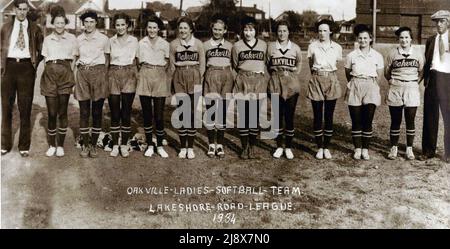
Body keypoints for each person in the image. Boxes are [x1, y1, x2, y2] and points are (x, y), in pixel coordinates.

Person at [1, 0, 43, 157]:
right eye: (19, 9)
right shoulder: (5, 27)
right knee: (6, 107)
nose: (22, 12)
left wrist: (33, 65)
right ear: (14, 9)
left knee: (25, 109)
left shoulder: (34, 28)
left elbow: (42, 50)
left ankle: (24, 146)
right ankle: (5, 145)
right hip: (8, 68)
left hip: (26, 69)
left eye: (25, 9)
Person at [40, 6, 77, 157]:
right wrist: (52, 71)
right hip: (50, 73)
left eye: (62, 23)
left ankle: (60, 145)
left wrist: (68, 74)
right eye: (57, 23)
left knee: (62, 112)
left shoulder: (72, 38)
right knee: (52, 112)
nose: (59, 26)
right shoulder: (47, 39)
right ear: (53, 24)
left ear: (65, 24)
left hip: (65, 73)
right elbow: (44, 59)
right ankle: (51, 145)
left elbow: (74, 59)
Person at [344, 24, 384, 160]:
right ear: (357, 39)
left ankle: (365, 149)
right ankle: (357, 149)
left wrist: (371, 86)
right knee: (356, 120)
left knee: (368, 119)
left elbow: (379, 74)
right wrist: (357, 83)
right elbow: (348, 73)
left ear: (370, 39)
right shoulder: (351, 55)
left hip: (371, 85)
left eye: (365, 38)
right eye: (360, 38)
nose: (363, 41)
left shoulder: (377, 56)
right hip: (355, 85)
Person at [74, 11, 110, 158]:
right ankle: (85, 144)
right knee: (83, 111)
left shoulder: (103, 39)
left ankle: (93, 145)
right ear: (83, 23)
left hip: (99, 73)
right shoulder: (79, 39)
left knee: (96, 111)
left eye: (91, 22)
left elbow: (107, 59)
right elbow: (75, 57)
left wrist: (101, 75)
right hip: (82, 73)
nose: (88, 25)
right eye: (86, 22)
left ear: (96, 22)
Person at [385, 26, 424, 160]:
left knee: (410, 119)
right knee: (395, 120)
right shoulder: (392, 53)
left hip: (412, 87)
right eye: (401, 37)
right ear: (398, 39)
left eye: (406, 37)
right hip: (396, 87)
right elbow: (387, 72)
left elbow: (422, 71)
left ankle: (409, 149)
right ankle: (394, 147)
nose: (404, 40)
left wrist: (414, 82)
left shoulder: (418, 53)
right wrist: (393, 80)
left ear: (411, 39)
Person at [232, 16, 268, 160]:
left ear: (255, 31)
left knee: (254, 116)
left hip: (258, 81)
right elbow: (235, 65)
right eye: (246, 30)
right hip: (242, 80)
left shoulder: (263, 45)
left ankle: (252, 147)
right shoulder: (237, 46)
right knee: (243, 116)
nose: (248, 33)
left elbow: (266, 62)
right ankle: (244, 147)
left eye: (251, 30)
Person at [169, 16, 205, 159]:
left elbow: (202, 65)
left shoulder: (198, 44)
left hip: (194, 76)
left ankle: (190, 147)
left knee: (193, 113)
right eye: (181, 28)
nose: (182, 30)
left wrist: (199, 80)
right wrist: (173, 84)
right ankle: (182, 146)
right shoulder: (173, 44)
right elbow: (172, 65)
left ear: (191, 29)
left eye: (185, 28)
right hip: (179, 76)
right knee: (183, 113)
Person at [306, 19, 343, 160]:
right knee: (317, 115)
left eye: (325, 30)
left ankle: (326, 147)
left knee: (328, 115)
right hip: (316, 78)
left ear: (330, 32)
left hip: (331, 79)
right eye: (320, 30)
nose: (322, 33)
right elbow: (311, 64)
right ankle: (319, 147)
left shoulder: (337, 47)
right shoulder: (312, 46)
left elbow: (337, 64)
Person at [268, 20, 302, 160]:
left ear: (289, 32)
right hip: (276, 83)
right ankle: (279, 146)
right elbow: (266, 63)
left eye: (285, 31)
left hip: (291, 84)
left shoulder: (295, 48)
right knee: (277, 116)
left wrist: (294, 73)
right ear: (277, 32)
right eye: (280, 31)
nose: (282, 33)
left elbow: (299, 62)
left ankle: (288, 147)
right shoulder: (271, 47)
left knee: (289, 116)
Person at [137, 15, 170, 158]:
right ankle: (150, 144)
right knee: (147, 113)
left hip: (160, 76)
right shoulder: (141, 43)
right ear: (146, 28)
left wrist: (159, 73)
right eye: (149, 27)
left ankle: (160, 145)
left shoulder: (164, 44)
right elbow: (138, 62)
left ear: (159, 29)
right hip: (145, 74)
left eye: (154, 27)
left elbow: (167, 62)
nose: (152, 30)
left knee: (158, 114)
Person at [108, 13, 138, 158]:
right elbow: (107, 61)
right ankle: (115, 144)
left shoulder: (134, 41)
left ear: (127, 25)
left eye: (122, 25)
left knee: (126, 112)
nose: (120, 28)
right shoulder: (110, 41)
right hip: (113, 74)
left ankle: (124, 145)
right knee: (114, 112)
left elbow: (137, 61)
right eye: (117, 25)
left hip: (129, 74)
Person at [421, 10, 450, 162]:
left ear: (448, 23)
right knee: (430, 116)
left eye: (442, 21)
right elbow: (427, 61)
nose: (438, 24)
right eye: (437, 21)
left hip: (448, 80)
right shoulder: (431, 40)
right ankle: (428, 150)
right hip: (433, 79)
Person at [203, 17, 234, 159]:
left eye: (220, 29)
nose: (217, 32)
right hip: (211, 75)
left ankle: (220, 144)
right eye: (215, 29)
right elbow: (203, 65)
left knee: (222, 111)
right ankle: (211, 143)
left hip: (226, 75)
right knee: (210, 111)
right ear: (212, 29)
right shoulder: (205, 45)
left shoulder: (230, 46)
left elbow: (234, 64)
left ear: (225, 30)